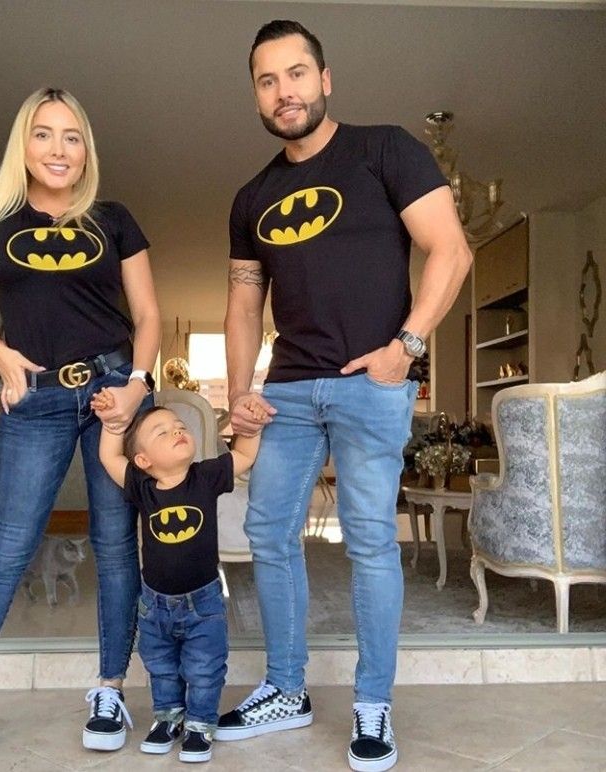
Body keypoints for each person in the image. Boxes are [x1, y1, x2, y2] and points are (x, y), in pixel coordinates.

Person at [216, 20, 472, 772]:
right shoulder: (253, 196)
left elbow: (451, 250)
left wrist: (408, 348)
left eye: (296, 74)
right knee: (268, 535)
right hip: (288, 389)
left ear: (325, 80)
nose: (283, 91)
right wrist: (240, 393)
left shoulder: (385, 149)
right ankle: (286, 689)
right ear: (257, 95)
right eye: (267, 80)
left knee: (368, 542)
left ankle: (372, 704)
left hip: (372, 384)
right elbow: (241, 304)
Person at [0, 87, 161, 755]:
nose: (59, 149)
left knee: (117, 548)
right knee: (8, 546)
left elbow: (146, 316)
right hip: (36, 398)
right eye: (44, 134)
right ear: (22, 146)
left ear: (88, 150)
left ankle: (110, 690)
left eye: (72, 136)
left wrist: (138, 387)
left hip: (114, 388)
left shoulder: (113, 220)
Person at [96, 398, 263, 763]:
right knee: (161, 667)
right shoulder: (142, 486)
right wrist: (112, 423)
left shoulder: (205, 476)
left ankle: (200, 724)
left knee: (205, 668)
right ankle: (167, 717)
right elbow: (110, 458)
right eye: (162, 431)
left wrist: (250, 428)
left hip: (203, 602)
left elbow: (245, 456)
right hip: (154, 603)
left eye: (179, 426)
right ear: (143, 461)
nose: (176, 430)